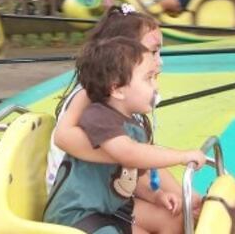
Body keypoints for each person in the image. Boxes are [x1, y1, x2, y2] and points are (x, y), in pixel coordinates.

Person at [44, 34, 206, 233]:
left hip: (111, 210)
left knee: (172, 218)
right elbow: (129, 154)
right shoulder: (99, 117)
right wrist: (182, 156)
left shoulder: (132, 125)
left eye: (155, 78)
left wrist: (156, 196)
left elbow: (129, 177)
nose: (156, 86)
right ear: (117, 90)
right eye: (148, 79)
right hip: (78, 215)